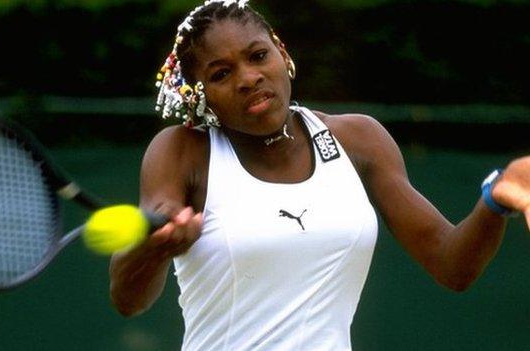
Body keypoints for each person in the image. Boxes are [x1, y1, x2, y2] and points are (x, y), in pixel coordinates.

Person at [109, 0, 530, 349]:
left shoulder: (359, 139)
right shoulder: (182, 149)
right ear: (200, 95)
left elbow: (451, 265)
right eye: (221, 74)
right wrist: (154, 247)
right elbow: (129, 298)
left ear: (281, 51)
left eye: (258, 56)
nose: (249, 78)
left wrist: (496, 197)